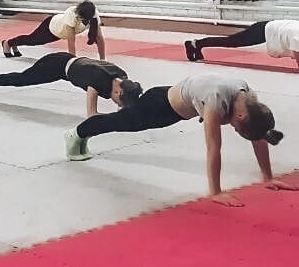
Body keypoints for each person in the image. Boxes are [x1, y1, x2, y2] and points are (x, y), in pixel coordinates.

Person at [65, 72, 288, 206]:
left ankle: (85, 130)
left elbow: (258, 137)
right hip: (158, 107)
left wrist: (267, 177)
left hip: (170, 103)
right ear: (240, 116)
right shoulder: (216, 100)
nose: (233, 128)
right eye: (236, 128)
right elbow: (213, 148)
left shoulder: (249, 100)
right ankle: (77, 133)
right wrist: (216, 192)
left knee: (121, 120)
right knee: (120, 122)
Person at [0, 52, 141, 116]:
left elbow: (125, 102)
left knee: (22, 78)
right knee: (21, 79)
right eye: (118, 102)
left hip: (69, 59)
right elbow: (92, 114)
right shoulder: (97, 81)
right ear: (118, 92)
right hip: (55, 66)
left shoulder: (123, 76)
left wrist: (126, 109)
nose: (118, 105)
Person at [1, 1, 105, 60]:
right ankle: (8, 43)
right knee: (32, 40)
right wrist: (73, 61)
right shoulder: (71, 13)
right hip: (51, 27)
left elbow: (99, 38)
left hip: (59, 32)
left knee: (31, 40)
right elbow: (71, 40)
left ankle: (13, 44)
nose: (79, 19)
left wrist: (103, 60)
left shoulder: (94, 16)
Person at [185, 19, 299, 70]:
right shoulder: (297, 35)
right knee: (231, 42)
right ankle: (194, 44)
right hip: (264, 30)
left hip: (273, 28)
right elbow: (297, 53)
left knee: (231, 41)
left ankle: (197, 44)